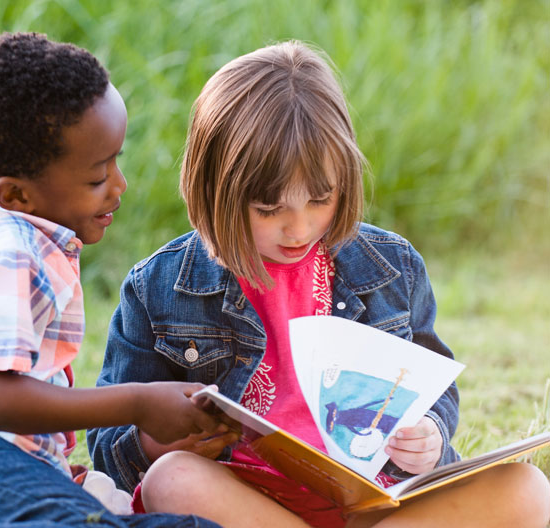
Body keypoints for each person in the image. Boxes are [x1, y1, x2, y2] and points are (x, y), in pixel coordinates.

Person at [87, 41, 550, 527]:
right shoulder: (160, 286)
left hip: (376, 502)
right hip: (248, 504)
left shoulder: (391, 266)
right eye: (269, 210)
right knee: (172, 479)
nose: (299, 228)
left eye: (320, 200)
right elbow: (108, 446)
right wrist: (158, 441)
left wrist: (428, 435)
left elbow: (433, 387)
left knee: (526, 489)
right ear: (214, 190)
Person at [0, 32, 223, 528]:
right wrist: (138, 401)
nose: (119, 185)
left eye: (116, 161)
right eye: (97, 177)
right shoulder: (4, 245)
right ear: (16, 195)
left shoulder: (20, 239)